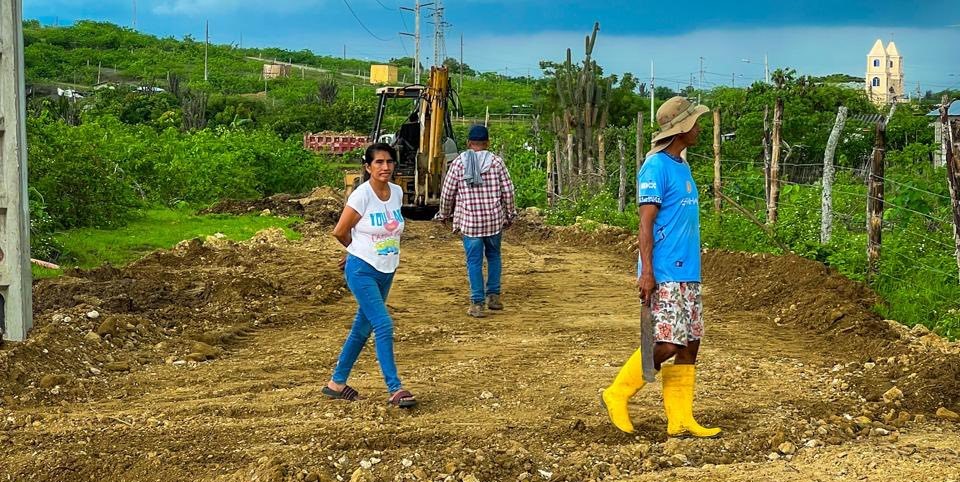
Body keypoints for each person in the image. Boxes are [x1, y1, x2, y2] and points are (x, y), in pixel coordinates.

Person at [601, 96, 720, 437]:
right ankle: (617, 393)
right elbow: (645, 223)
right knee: (668, 344)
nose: (699, 128)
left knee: (691, 343)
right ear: (681, 129)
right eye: (695, 123)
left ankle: (680, 419)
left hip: (688, 272)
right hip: (665, 270)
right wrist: (647, 271)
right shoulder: (655, 167)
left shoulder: (681, 165)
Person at [325, 143, 416, 408]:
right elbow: (340, 231)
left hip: (387, 269)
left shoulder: (397, 193)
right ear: (367, 167)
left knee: (361, 328)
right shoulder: (361, 196)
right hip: (362, 270)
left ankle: (336, 383)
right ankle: (395, 388)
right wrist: (355, 251)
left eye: (388, 162)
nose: (384, 167)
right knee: (383, 324)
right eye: (378, 162)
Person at [435, 125, 518, 318]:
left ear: (468, 143)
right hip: (493, 221)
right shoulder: (496, 162)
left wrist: (444, 215)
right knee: (494, 256)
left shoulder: (458, 163)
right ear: (487, 143)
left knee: (474, 261)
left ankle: (477, 303)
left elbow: (447, 194)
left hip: (470, 223)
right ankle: (494, 297)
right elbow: (508, 191)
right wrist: (510, 214)